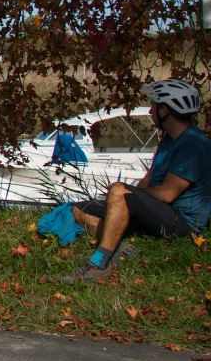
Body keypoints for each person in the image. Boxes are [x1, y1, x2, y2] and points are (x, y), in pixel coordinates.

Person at [63, 79, 211, 284]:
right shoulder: (169, 139)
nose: (150, 112)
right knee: (80, 208)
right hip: (159, 213)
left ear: (165, 110)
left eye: (153, 106)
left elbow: (168, 194)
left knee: (118, 189)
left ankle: (99, 261)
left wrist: (124, 197)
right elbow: (148, 179)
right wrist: (122, 203)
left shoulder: (193, 144)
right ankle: (121, 245)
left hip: (182, 224)